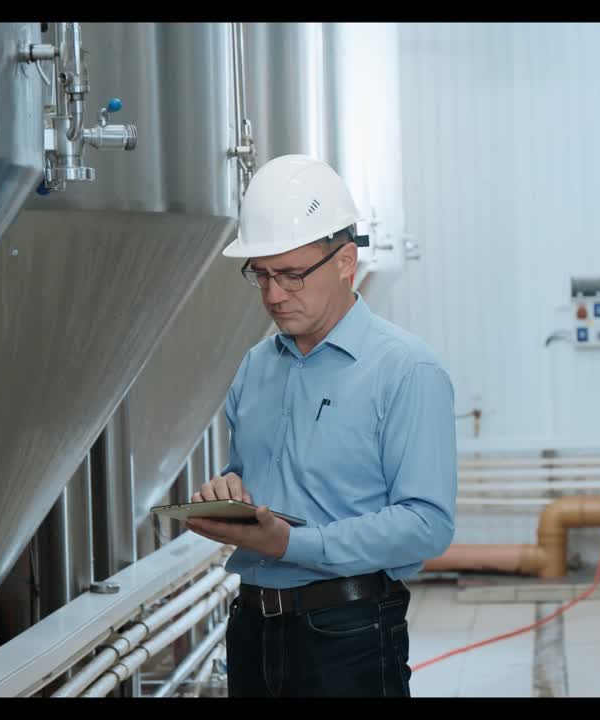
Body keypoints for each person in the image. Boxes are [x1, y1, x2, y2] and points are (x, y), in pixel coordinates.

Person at [184, 154, 458, 697]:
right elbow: (253, 478)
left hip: (349, 634)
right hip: (252, 628)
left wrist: (293, 543)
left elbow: (427, 524)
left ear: (346, 262)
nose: (273, 295)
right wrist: (228, 492)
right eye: (260, 274)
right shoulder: (256, 366)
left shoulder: (405, 369)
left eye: (290, 274)